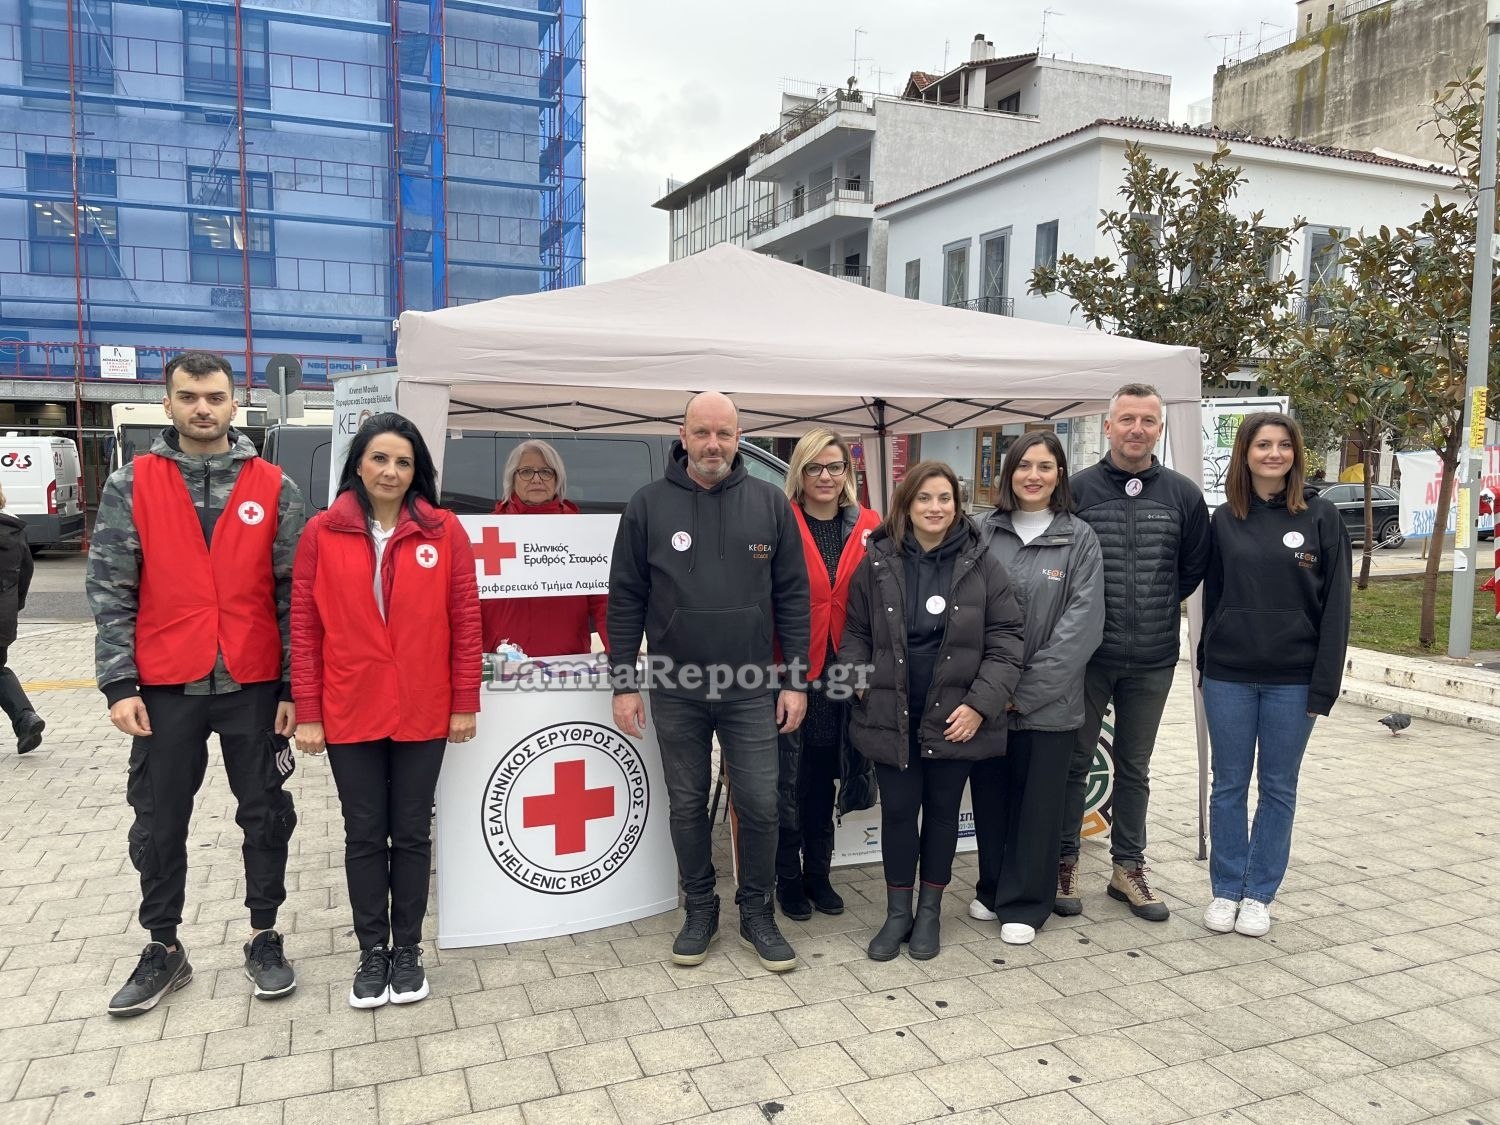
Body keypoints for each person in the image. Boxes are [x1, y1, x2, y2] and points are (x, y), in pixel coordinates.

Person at [87, 351, 305, 1016]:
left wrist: (297, 686)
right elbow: (110, 587)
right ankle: (163, 946)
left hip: (254, 682)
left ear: (235, 404)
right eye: (189, 396)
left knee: (265, 813)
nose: (202, 407)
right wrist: (118, 682)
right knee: (159, 821)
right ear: (169, 404)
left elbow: (296, 594)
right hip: (163, 685)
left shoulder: (274, 486)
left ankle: (264, 934)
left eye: (213, 396)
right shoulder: (133, 484)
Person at [608, 392, 810, 972]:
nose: (714, 444)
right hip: (676, 685)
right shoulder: (646, 506)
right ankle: (701, 908)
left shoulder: (771, 504)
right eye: (703, 433)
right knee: (687, 804)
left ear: (739, 435)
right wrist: (625, 682)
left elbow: (794, 599)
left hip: (751, 687)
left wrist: (794, 681)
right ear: (683, 434)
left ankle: (757, 912)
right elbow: (624, 600)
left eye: (725, 433)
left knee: (762, 804)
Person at [292, 413, 481, 1008]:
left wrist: (464, 702)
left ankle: (408, 951)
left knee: (413, 833)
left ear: (416, 469)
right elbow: (304, 626)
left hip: (425, 708)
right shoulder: (321, 533)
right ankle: (371, 952)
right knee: (365, 835)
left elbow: (466, 623)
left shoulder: (444, 531)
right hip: (348, 709)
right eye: (379, 458)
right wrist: (308, 711)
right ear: (358, 464)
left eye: (403, 461)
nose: (391, 471)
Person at [838, 460, 1024, 962]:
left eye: (944, 499)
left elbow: (1007, 641)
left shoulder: (983, 562)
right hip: (890, 710)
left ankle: (929, 914)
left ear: (957, 505)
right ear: (907, 505)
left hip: (955, 716)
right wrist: (857, 684)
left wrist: (980, 706)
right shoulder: (877, 560)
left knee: (942, 815)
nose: (935, 508)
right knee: (898, 812)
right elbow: (854, 631)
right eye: (924, 499)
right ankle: (897, 912)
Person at [1056, 383, 1210, 921]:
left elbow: (1191, 569)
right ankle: (1064, 861)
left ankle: (1127, 868)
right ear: (1108, 426)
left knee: (1135, 767)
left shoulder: (1184, 496)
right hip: (1088, 657)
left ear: (1160, 428)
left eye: (1148, 420)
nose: (1137, 429)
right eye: (1127, 419)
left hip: (1152, 657)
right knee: (1074, 763)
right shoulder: (1076, 490)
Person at [1198, 412, 1350, 938]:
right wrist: (1204, 664)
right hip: (1229, 676)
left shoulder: (1322, 518)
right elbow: (1212, 597)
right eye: (1262, 445)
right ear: (1245, 453)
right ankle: (1225, 890)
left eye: (1283, 445)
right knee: (1229, 785)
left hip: (1294, 680)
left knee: (1279, 787)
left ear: (1296, 454)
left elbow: (1337, 609)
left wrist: (1323, 685)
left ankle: (1259, 893)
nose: (1273, 454)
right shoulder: (1224, 520)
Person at [970, 433, 1104, 944]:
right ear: (1008, 474)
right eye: (1023, 465)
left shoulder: (1079, 539)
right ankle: (992, 886)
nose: (1033, 475)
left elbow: (1081, 629)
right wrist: (988, 691)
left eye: (1045, 467)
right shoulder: (982, 531)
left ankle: (1027, 902)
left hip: (1050, 704)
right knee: (991, 799)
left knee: (1038, 806)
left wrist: (1018, 693)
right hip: (986, 698)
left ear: (1060, 475)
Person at [774, 429, 881, 922]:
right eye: (815, 466)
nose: (825, 476)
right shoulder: (779, 520)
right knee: (791, 781)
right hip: (794, 667)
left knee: (827, 777)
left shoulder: (870, 524)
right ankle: (787, 877)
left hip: (847, 672)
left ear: (848, 473)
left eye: (835, 467)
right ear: (800, 470)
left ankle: (819, 873)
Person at [480, 440, 608, 656]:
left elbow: (603, 601)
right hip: (502, 660)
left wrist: (620, 652)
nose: (537, 478)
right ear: (512, 477)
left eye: (546, 471)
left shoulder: (580, 530)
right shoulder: (491, 529)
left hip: (567, 659)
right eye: (527, 471)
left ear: (557, 478)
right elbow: (469, 603)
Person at [0, 483, 45, 754]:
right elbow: (25, 574)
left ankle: (25, 718)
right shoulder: (13, 531)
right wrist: (12, 607)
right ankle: (25, 719)